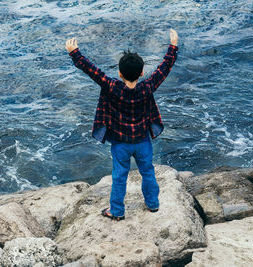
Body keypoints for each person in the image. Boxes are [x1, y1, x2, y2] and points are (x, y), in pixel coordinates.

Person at [65, 29, 179, 221]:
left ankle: (117, 211)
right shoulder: (147, 86)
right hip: (142, 141)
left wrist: (74, 52)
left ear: (119, 73)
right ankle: (153, 204)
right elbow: (164, 68)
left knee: (119, 176)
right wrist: (173, 45)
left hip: (120, 143)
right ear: (142, 72)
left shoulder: (112, 86)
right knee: (148, 171)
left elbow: (92, 71)